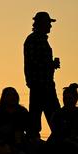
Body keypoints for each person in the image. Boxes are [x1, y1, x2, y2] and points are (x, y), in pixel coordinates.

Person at [24, 11, 61, 139]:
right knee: (53, 122)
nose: (50, 26)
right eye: (48, 23)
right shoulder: (34, 40)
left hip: (44, 86)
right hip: (40, 87)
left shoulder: (37, 40)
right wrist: (51, 65)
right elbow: (34, 63)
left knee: (54, 121)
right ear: (41, 24)